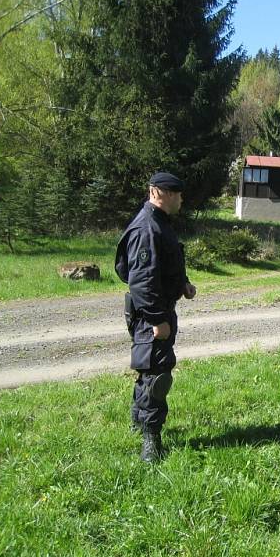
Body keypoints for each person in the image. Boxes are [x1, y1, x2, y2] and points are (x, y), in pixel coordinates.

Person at [115, 172, 197, 463]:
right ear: (159, 193)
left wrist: (182, 283)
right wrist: (157, 319)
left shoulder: (160, 224)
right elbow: (141, 281)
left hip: (159, 309)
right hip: (152, 315)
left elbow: (164, 264)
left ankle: (138, 422)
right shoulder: (147, 227)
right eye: (177, 193)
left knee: (148, 368)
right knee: (157, 375)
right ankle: (150, 441)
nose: (181, 199)